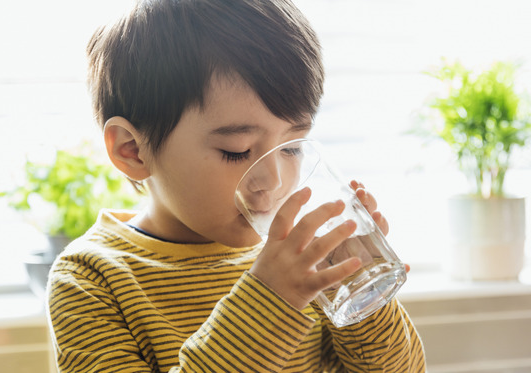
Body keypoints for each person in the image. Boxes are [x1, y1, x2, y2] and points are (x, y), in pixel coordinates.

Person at [47, 0, 426, 372]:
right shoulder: (90, 280)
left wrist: (363, 294)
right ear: (133, 150)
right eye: (237, 151)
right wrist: (270, 301)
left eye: (292, 146)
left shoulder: (301, 255)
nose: (275, 181)